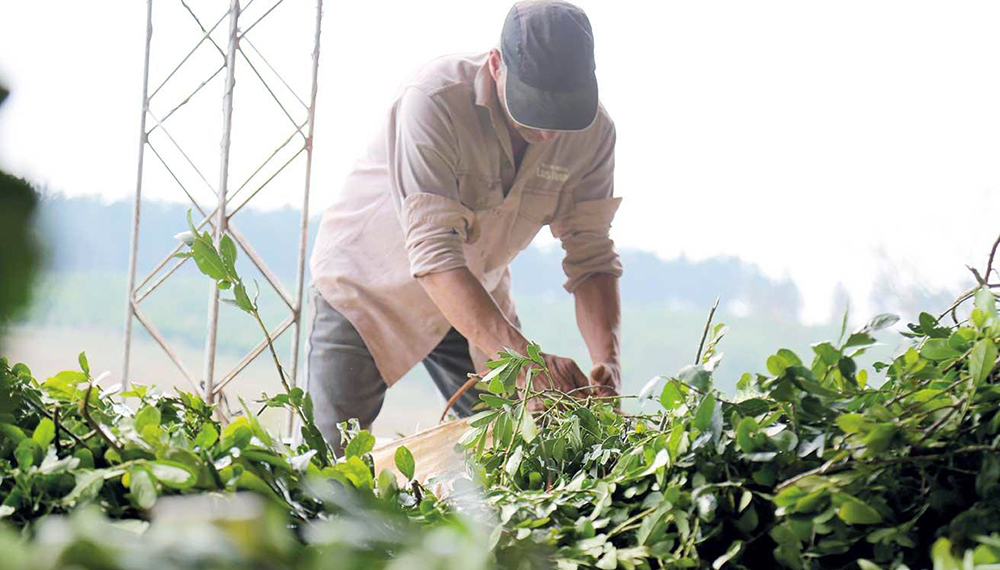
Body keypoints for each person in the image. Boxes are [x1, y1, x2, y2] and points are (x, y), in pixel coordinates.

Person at [308, 0, 623, 450]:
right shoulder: (434, 100)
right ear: (497, 66)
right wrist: (527, 363)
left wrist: (607, 365)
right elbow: (435, 255)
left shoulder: (593, 134)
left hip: (476, 292)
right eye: (535, 109)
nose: (551, 132)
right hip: (369, 286)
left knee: (519, 452)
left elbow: (591, 255)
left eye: (563, 115)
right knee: (330, 464)